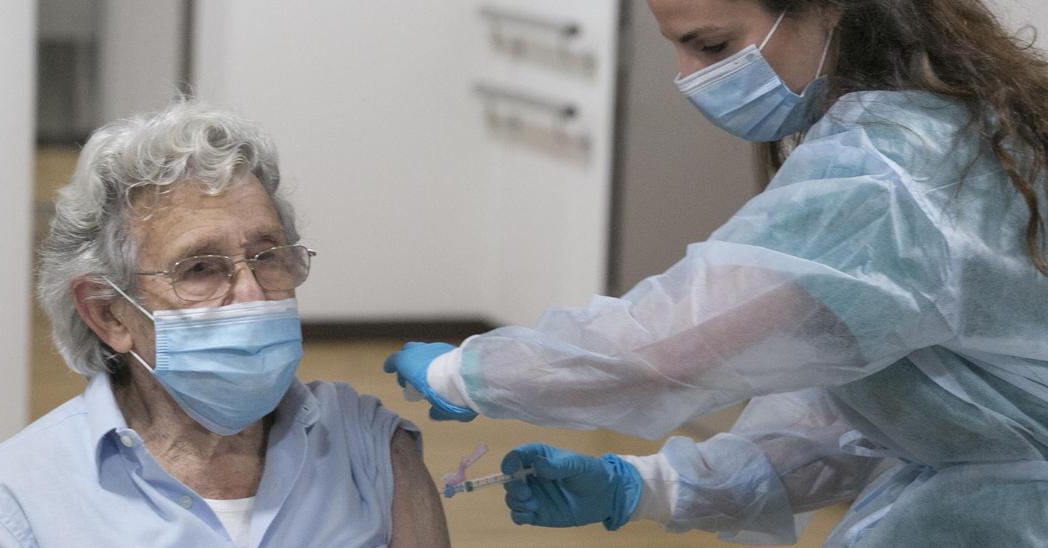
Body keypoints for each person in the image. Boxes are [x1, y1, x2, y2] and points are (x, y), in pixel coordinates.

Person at [384, 0, 1048, 545]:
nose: (689, 78)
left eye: (711, 47)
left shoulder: (892, 174)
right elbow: (865, 413)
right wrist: (646, 484)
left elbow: (674, 342)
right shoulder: (949, 127)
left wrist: (468, 374)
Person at [0, 101, 449, 547]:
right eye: (201, 269)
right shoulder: (14, 507)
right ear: (108, 312)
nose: (251, 293)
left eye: (268, 256)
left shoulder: (370, 449)